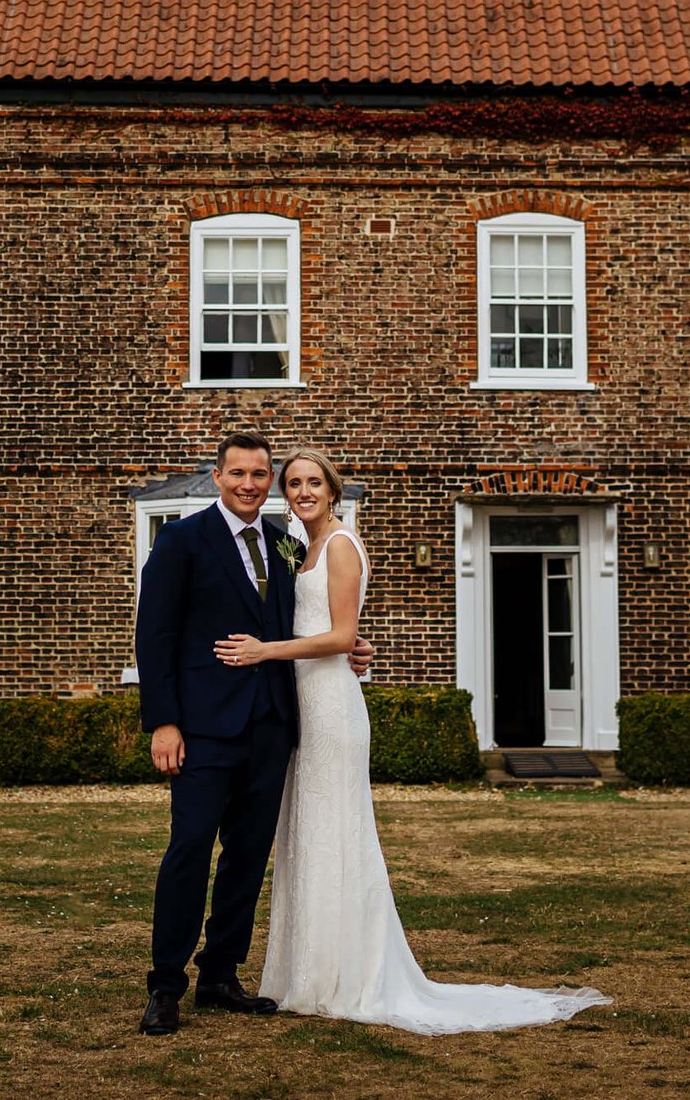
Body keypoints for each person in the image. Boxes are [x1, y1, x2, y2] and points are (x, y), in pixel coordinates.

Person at [219, 446, 610, 1034]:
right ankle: (305, 975)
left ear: (334, 490)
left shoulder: (343, 545)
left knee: (339, 833)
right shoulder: (296, 549)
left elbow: (342, 633)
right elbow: (333, 633)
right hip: (301, 705)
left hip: (330, 708)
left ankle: (353, 975)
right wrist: (344, 653)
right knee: (305, 833)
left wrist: (265, 650)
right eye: (293, 483)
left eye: (313, 484)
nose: (302, 493)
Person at [135, 431, 371, 1036]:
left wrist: (354, 645)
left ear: (270, 482)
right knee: (188, 851)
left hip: (272, 727)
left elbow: (305, 623)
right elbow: (155, 634)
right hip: (204, 731)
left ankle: (220, 975)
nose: (249, 484)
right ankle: (166, 986)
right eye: (237, 473)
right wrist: (163, 721)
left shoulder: (284, 542)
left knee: (247, 857)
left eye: (260, 475)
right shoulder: (183, 540)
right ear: (217, 477)